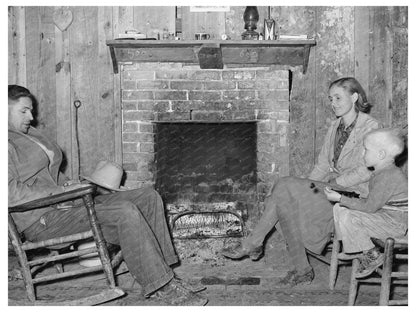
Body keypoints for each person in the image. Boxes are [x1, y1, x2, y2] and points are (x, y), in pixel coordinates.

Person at [8, 85, 207, 306]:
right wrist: (60, 191)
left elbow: (49, 174)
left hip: (64, 206)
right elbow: (9, 193)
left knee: (147, 197)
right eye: (24, 111)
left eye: (31, 110)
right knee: (124, 211)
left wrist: (71, 184)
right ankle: (161, 285)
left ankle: (165, 273)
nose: (31, 116)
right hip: (42, 219)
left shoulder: (26, 133)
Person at [221, 77, 382, 286]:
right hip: (331, 189)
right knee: (284, 196)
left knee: (283, 188)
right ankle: (300, 268)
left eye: (338, 97)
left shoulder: (371, 126)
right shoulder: (335, 126)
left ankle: (254, 243)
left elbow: (368, 169)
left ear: (354, 97)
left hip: (353, 194)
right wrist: (306, 188)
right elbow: (323, 164)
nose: (333, 103)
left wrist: (333, 182)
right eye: (330, 98)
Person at [325, 128, 407, 278]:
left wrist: (341, 198)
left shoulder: (389, 176)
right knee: (340, 209)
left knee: (350, 214)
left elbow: (369, 207)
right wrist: (343, 200)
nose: (362, 154)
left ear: (381, 154)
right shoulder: (382, 172)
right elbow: (372, 203)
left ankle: (373, 255)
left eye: (366, 150)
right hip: (385, 216)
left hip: (395, 224)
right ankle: (354, 248)